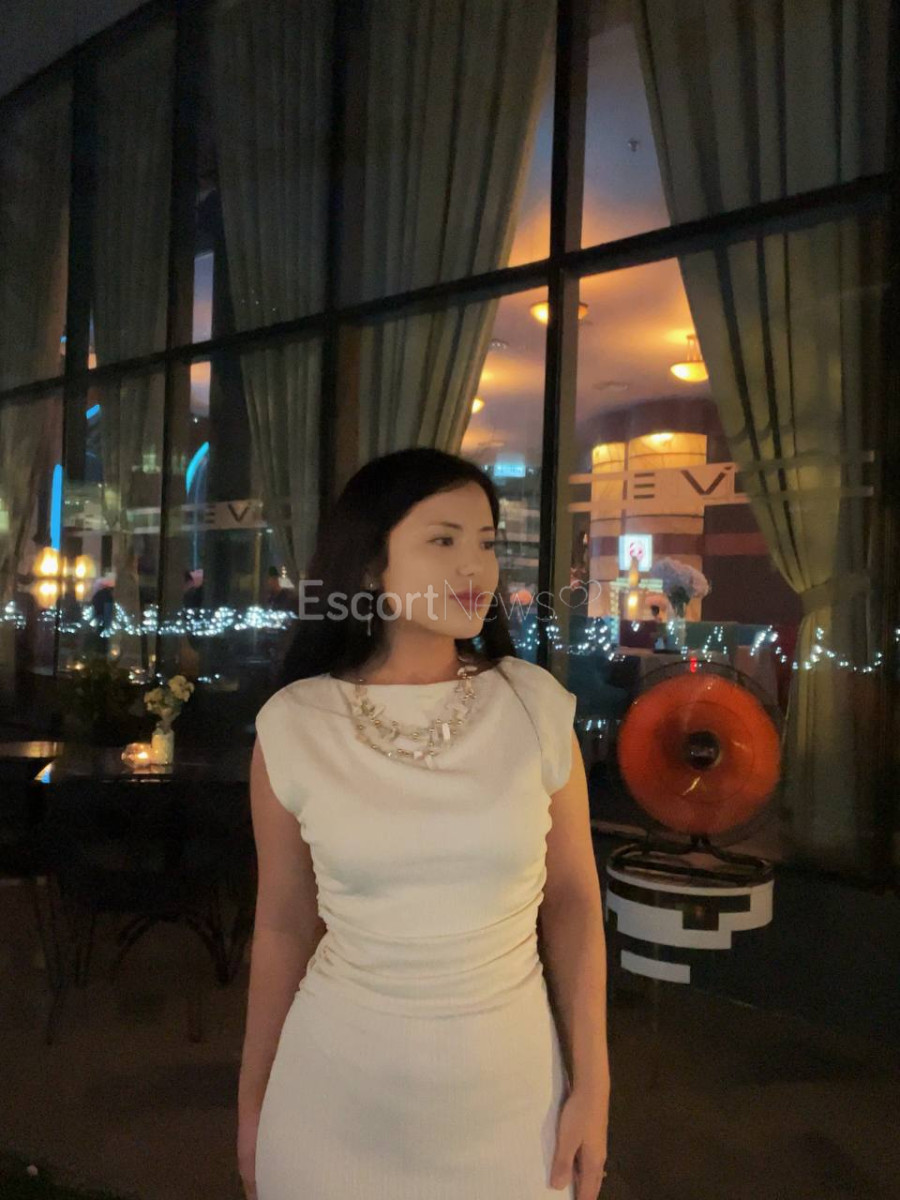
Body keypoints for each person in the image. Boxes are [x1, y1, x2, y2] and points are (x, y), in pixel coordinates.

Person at [241, 447, 610, 1200]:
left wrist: (594, 1083)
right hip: (330, 1104)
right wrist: (252, 1108)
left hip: (513, 1114)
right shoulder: (294, 724)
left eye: (487, 542)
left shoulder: (533, 707)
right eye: (443, 539)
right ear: (371, 565)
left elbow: (573, 900)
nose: (475, 565)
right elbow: (282, 925)